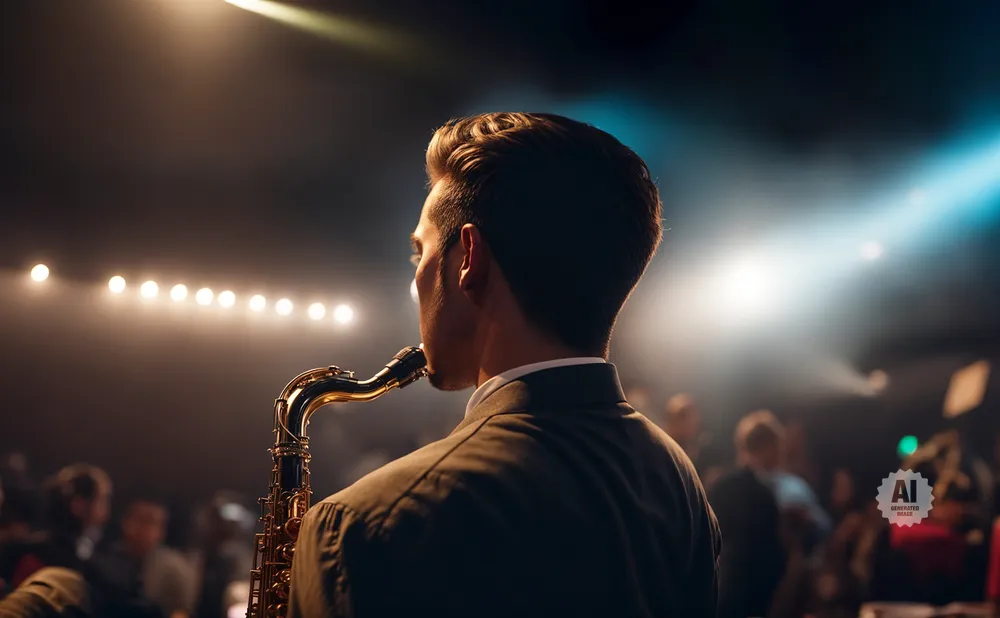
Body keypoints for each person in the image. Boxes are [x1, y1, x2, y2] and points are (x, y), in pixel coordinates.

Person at [289, 112, 721, 617]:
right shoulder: (678, 480)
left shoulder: (362, 525)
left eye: (420, 252)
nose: (417, 283)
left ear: (468, 258)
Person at [709, 411, 787, 618]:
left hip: (720, 593)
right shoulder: (763, 493)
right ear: (767, 446)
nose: (781, 454)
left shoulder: (720, 485)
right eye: (778, 447)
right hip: (752, 598)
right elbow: (770, 553)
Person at [102, 499, 196, 618]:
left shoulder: (174, 570)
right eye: (140, 521)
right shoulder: (105, 563)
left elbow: (182, 611)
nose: (146, 529)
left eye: (152, 523)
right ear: (125, 523)